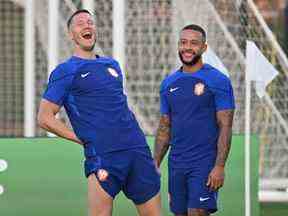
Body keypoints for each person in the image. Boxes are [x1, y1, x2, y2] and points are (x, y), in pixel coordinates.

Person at [38, 9, 161, 216]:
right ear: (70, 34)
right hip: (104, 156)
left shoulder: (112, 65)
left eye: (90, 22)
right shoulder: (66, 71)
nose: (87, 25)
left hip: (137, 150)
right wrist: (80, 139)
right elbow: (44, 117)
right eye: (80, 23)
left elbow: (117, 106)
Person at [153, 24, 235, 216]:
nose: (187, 47)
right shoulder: (168, 84)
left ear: (204, 48)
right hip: (177, 163)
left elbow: (226, 125)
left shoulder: (218, 80)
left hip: (204, 162)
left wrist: (219, 166)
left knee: (197, 211)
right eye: (183, 42)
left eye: (193, 43)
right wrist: (154, 163)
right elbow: (165, 127)